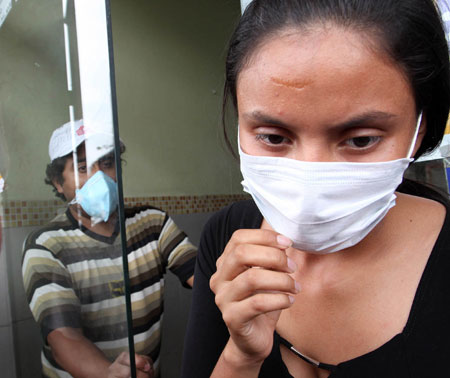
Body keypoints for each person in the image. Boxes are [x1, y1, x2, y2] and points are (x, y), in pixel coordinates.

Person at [181, 0, 450, 377]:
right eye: (274, 137)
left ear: (419, 128)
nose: (310, 179)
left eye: (360, 141)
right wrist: (240, 357)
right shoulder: (227, 240)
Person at [22, 120, 196, 378]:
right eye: (82, 167)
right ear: (58, 183)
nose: (99, 177)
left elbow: (201, 276)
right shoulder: (46, 244)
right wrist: (108, 374)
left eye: (107, 163)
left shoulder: (153, 223)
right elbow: (62, 336)